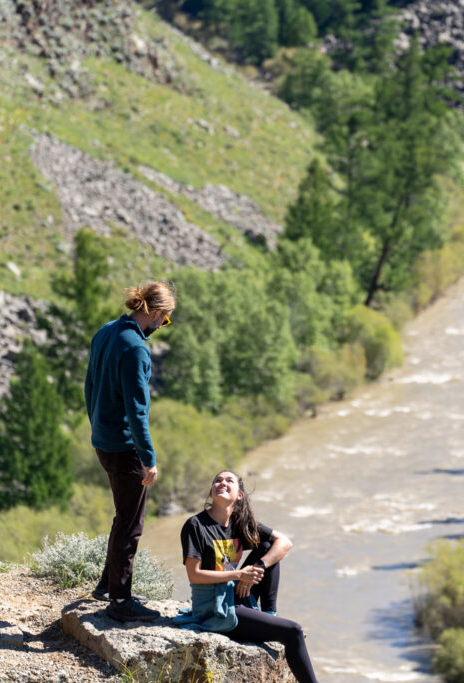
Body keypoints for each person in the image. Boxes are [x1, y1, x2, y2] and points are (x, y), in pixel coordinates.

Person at [84, 281, 175, 622]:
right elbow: (138, 412)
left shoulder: (106, 331)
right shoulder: (136, 348)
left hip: (103, 441)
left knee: (123, 515)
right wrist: (149, 459)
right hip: (126, 449)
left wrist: (97, 426)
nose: (161, 327)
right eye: (164, 320)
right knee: (131, 524)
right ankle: (120, 603)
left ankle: (106, 585)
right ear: (154, 313)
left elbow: (89, 385)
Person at [175, 470, 318, 683]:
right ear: (212, 491)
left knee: (268, 548)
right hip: (215, 608)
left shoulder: (239, 523)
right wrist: (239, 574)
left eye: (228, 480)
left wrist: (257, 566)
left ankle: (269, 613)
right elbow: (194, 575)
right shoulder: (196, 526)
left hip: (234, 594)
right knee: (294, 631)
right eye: (217, 480)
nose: (222, 483)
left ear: (240, 495)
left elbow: (285, 543)